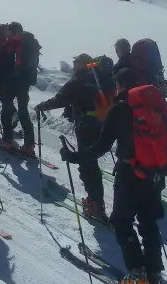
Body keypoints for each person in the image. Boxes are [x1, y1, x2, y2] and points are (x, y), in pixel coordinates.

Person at [60, 68, 167, 284]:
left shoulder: (119, 109)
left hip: (129, 174)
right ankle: (154, 271)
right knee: (148, 220)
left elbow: (100, 147)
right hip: (155, 173)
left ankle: (137, 272)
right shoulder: (156, 106)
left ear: (119, 85)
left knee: (121, 220)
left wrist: (73, 156)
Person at [34, 53, 112, 221]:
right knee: (91, 163)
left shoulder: (78, 80)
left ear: (82, 64)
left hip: (86, 127)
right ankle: (96, 202)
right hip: (104, 125)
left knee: (87, 166)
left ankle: (95, 205)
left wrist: (41, 106)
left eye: (75, 62)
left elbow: (60, 100)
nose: (74, 65)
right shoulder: (103, 79)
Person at [0, 22, 39, 156]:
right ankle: (29, 145)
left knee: (7, 109)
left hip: (13, 81)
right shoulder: (31, 42)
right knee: (23, 112)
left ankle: (7, 141)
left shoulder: (15, 42)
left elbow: (4, 59)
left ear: (12, 31)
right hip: (25, 82)